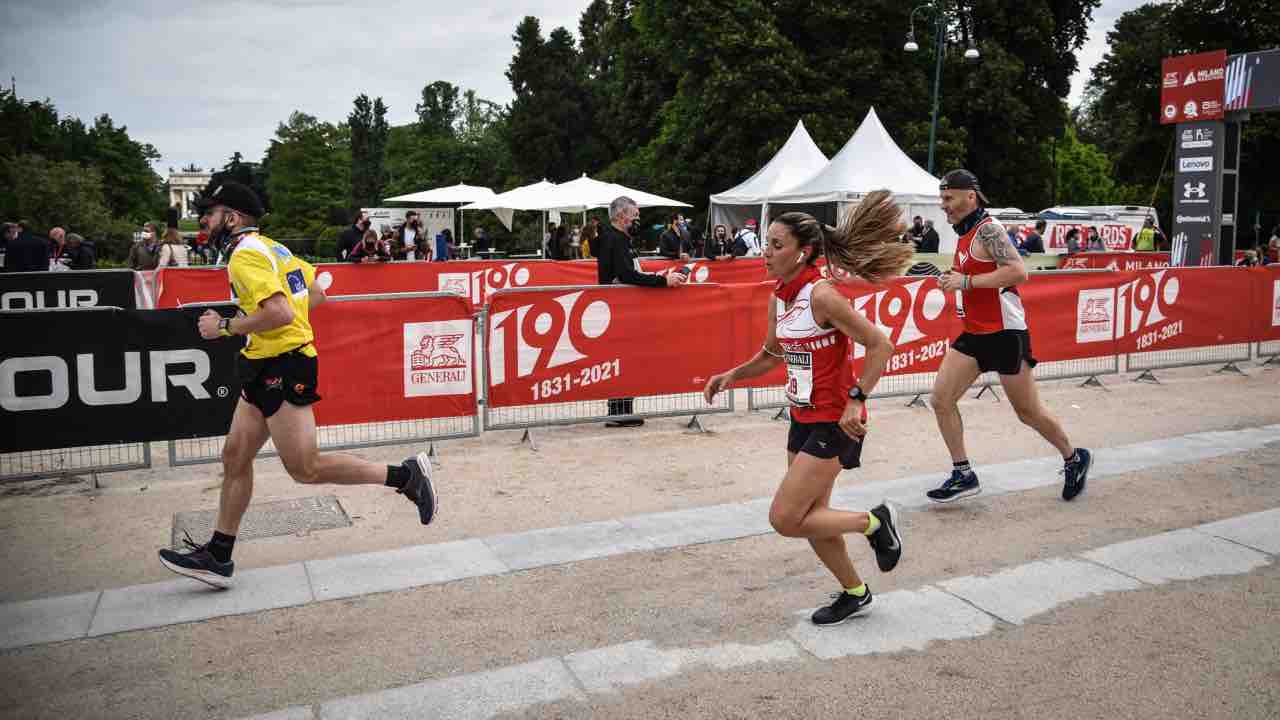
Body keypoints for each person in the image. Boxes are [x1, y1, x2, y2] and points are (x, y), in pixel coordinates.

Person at [158, 181, 436, 588]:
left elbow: (282, 313)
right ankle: (218, 554)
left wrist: (225, 327)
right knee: (235, 456)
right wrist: (273, 324)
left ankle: (406, 476)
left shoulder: (244, 258)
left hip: (284, 366)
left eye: (210, 212)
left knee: (305, 469)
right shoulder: (273, 249)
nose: (203, 219)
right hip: (262, 363)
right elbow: (317, 294)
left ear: (231, 218)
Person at [703, 193, 912, 626]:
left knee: (785, 517)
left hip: (836, 419)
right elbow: (772, 354)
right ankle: (856, 593)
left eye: (777, 245)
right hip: (801, 416)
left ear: (805, 252)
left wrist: (858, 398)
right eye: (766, 243)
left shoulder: (823, 296)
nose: (766, 252)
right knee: (812, 518)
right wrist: (732, 375)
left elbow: (881, 345)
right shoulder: (779, 298)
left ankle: (875, 523)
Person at [927, 169, 1092, 504]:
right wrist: (954, 279)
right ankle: (963, 474)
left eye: (948, 198)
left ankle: (1074, 457)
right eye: (941, 199)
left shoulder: (988, 229)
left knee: (1027, 412)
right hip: (974, 332)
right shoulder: (965, 233)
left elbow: (1018, 271)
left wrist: (966, 283)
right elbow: (978, 274)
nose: (943, 206)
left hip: (1005, 333)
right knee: (941, 400)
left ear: (970, 196)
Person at [597, 196, 686, 427]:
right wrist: (662, 280)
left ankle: (623, 409)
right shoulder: (613, 239)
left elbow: (628, 273)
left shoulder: (621, 239)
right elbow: (627, 275)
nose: (638, 219)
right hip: (618, 309)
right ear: (620, 216)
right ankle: (618, 411)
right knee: (622, 358)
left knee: (627, 359)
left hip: (625, 308)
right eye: (634, 215)